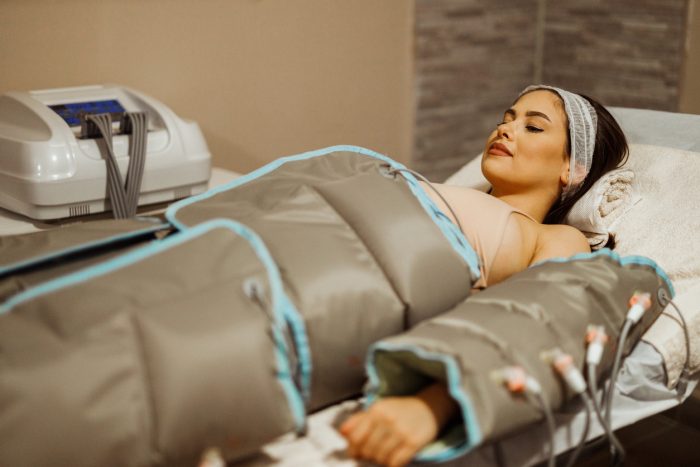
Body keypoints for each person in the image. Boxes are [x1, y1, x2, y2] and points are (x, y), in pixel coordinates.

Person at [339, 84, 629, 467]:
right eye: (506, 119)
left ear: (572, 169)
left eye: (533, 127)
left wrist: (436, 402)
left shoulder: (555, 237)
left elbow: (532, 320)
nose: (505, 129)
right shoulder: (441, 191)